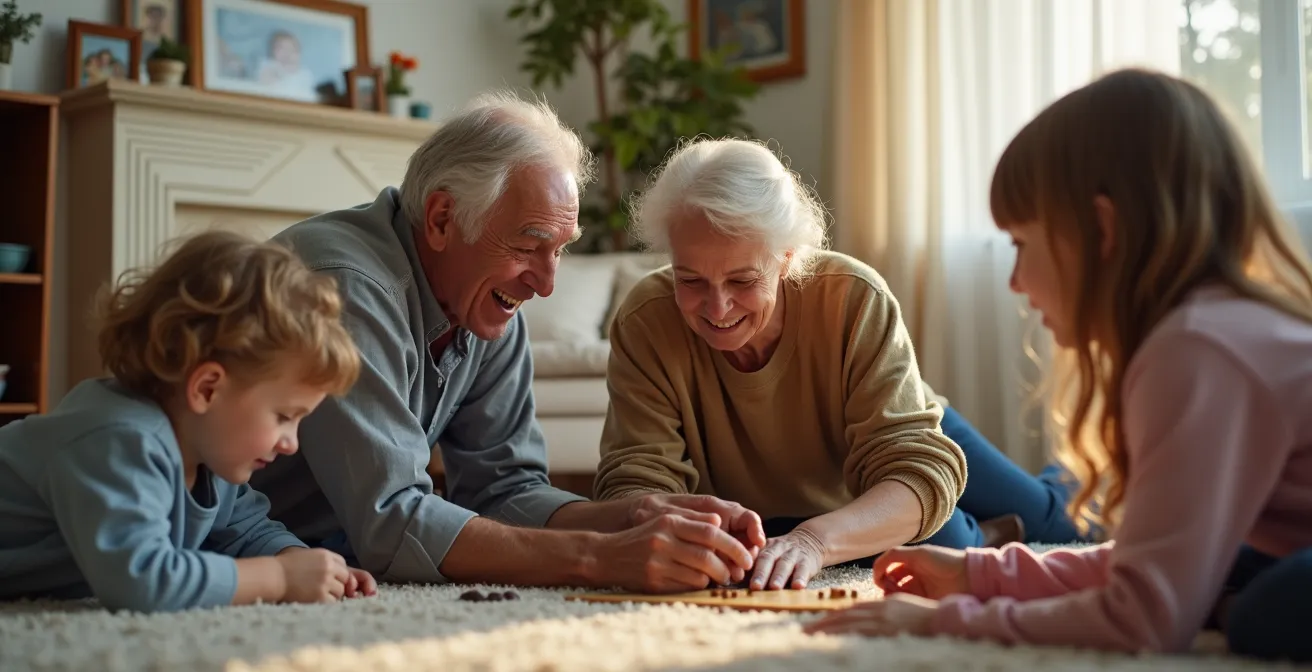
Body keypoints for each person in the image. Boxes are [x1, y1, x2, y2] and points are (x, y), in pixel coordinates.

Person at [803, 68, 1312, 663]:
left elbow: (1143, 618)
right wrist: (981, 575)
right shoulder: (1211, 330)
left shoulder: (1197, 349)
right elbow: (1146, 560)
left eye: (1021, 244)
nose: (1016, 281)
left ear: (1102, 230)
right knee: (1241, 570)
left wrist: (946, 621)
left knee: (1269, 604)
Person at [249, 91, 766, 595]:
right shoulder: (345, 288)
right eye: (526, 246)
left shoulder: (484, 304)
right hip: (231, 545)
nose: (545, 285)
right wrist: (601, 557)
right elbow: (392, 523)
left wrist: (633, 517)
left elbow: (505, 490)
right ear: (441, 219)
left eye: (560, 250)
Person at [593, 137, 1097, 593]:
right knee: (930, 543)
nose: (717, 307)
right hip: (804, 502)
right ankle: (985, 532)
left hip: (902, 424)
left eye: (743, 280)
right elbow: (636, 483)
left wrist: (815, 540)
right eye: (691, 280)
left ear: (787, 257)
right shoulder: (645, 319)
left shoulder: (852, 296)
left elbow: (917, 467)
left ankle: (1083, 470)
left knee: (1054, 524)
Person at [0, 230, 376, 612]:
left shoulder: (209, 449)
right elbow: (143, 580)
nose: (291, 443)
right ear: (208, 389)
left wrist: (307, 564)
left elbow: (247, 530)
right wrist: (279, 578)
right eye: (283, 417)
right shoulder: (120, 439)